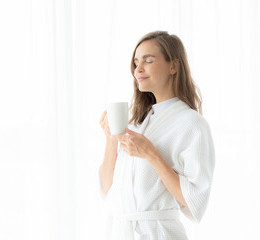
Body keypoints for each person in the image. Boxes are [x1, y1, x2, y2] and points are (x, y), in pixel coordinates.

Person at [99, 31, 215, 240]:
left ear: (173, 66)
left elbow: (195, 202)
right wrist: (110, 140)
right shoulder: (138, 123)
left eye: (148, 60)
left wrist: (152, 154)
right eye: (136, 63)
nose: (138, 70)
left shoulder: (192, 124)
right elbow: (109, 191)